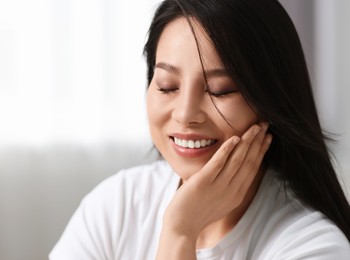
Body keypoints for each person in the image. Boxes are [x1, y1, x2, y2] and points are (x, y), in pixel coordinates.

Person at [49, 0, 350, 259]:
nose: (185, 114)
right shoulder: (115, 206)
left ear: (271, 101)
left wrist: (180, 232)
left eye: (220, 90)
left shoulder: (313, 246)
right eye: (167, 86)